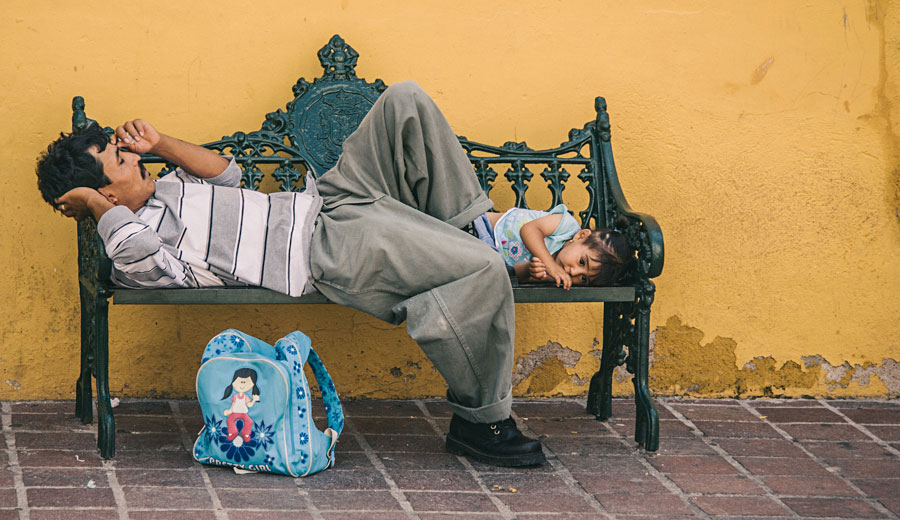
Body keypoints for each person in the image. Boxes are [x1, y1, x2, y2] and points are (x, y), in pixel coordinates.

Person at [39, 81, 611, 467]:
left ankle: (469, 225)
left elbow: (231, 175)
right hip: (329, 249)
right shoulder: (138, 247)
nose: (135, 157)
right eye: (122, 162)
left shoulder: (166, 186)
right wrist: (94, 203)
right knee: (484, 271)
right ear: (105, 193)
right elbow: (132, 247)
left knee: (404, 100)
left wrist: (161, 142)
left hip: (333, 199)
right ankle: (481, 423)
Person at [471, 207, 632, 290]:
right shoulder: (567, 226)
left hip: (489, 260)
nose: (574, 272)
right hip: (483, 228)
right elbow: (529, 230)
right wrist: (550, 264)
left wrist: (530, 271)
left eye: (584, 279)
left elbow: (512, 275)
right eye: (582, 262)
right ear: (581, 236)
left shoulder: (554, 276)